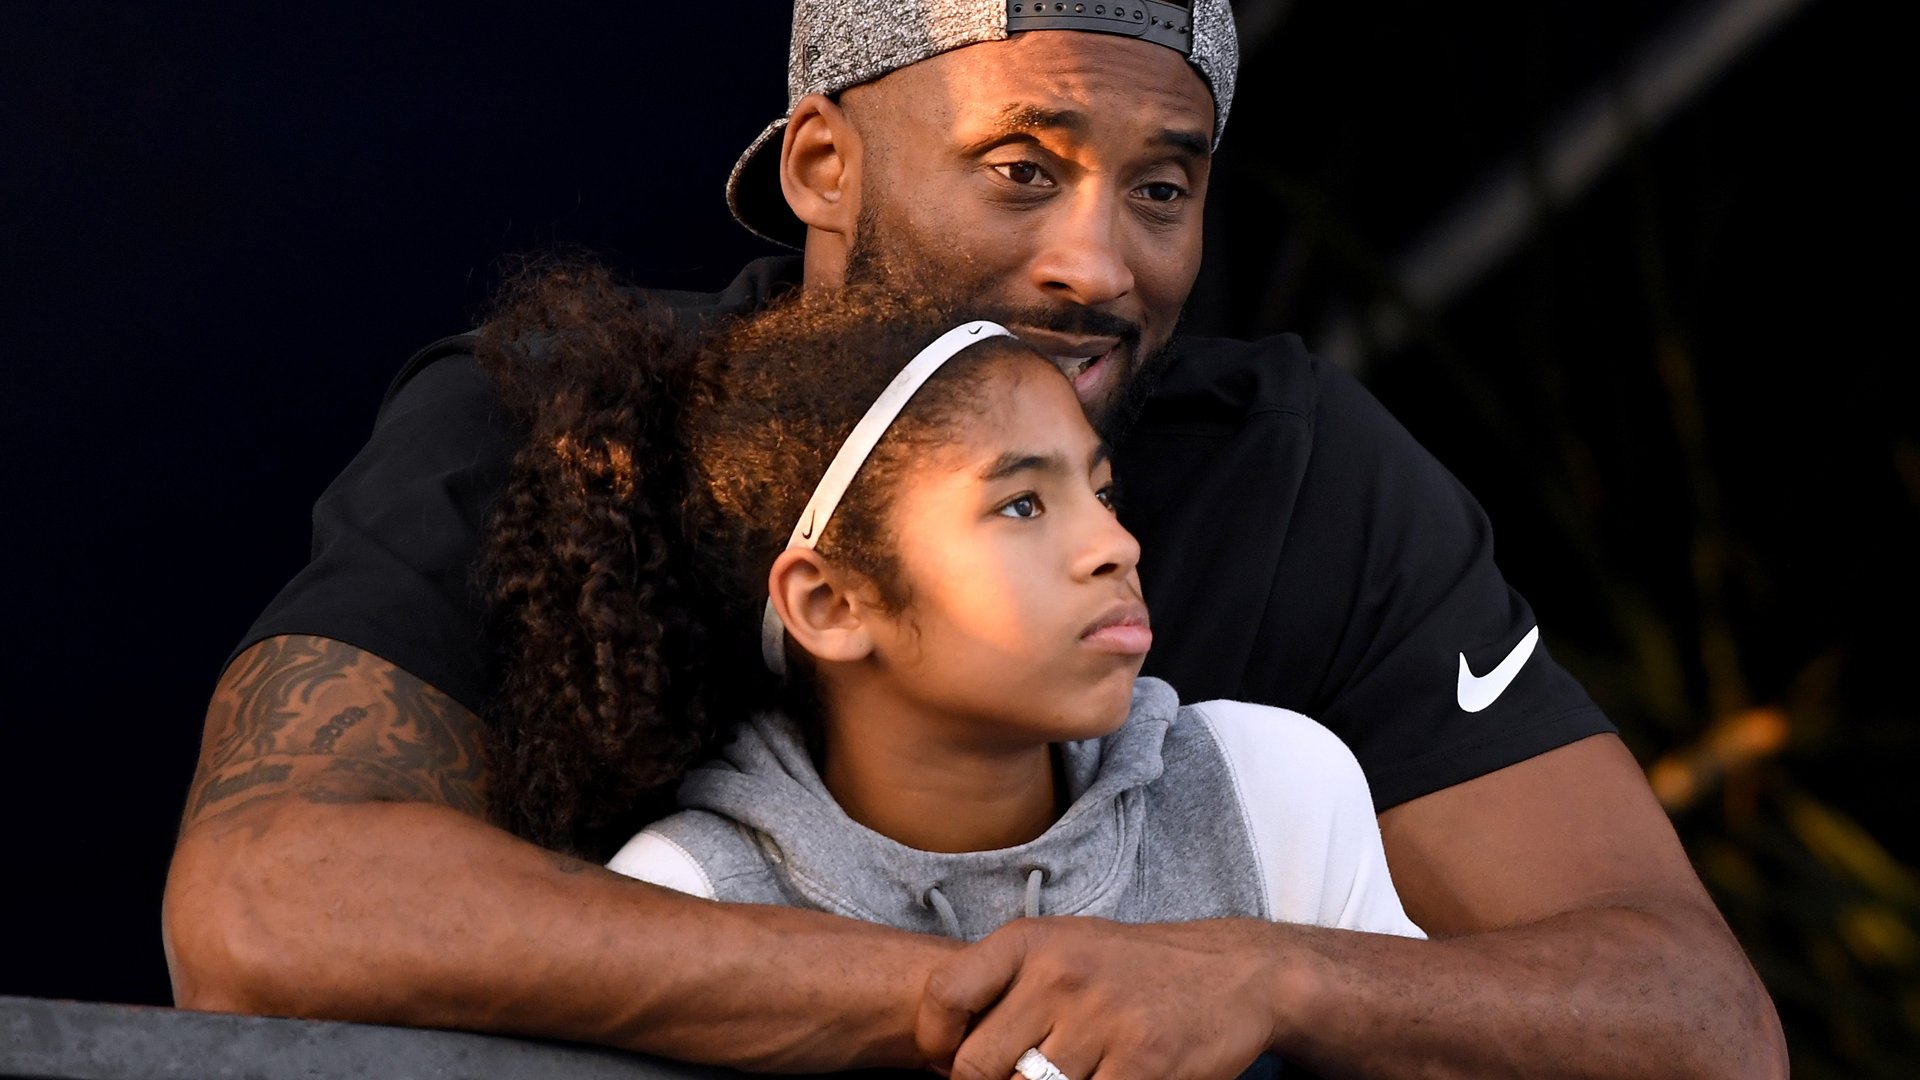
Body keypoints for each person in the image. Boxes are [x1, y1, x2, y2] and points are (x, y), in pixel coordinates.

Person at [162, 2, 1787, 1077]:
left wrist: (1264, 979)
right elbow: (268, 910)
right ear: (823, 165)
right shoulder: (558, 419)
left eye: (1165, 188)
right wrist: (976, 998)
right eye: (1024, 168)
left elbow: (1699, 1023)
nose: (1104, 263)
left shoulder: (1293, 475)